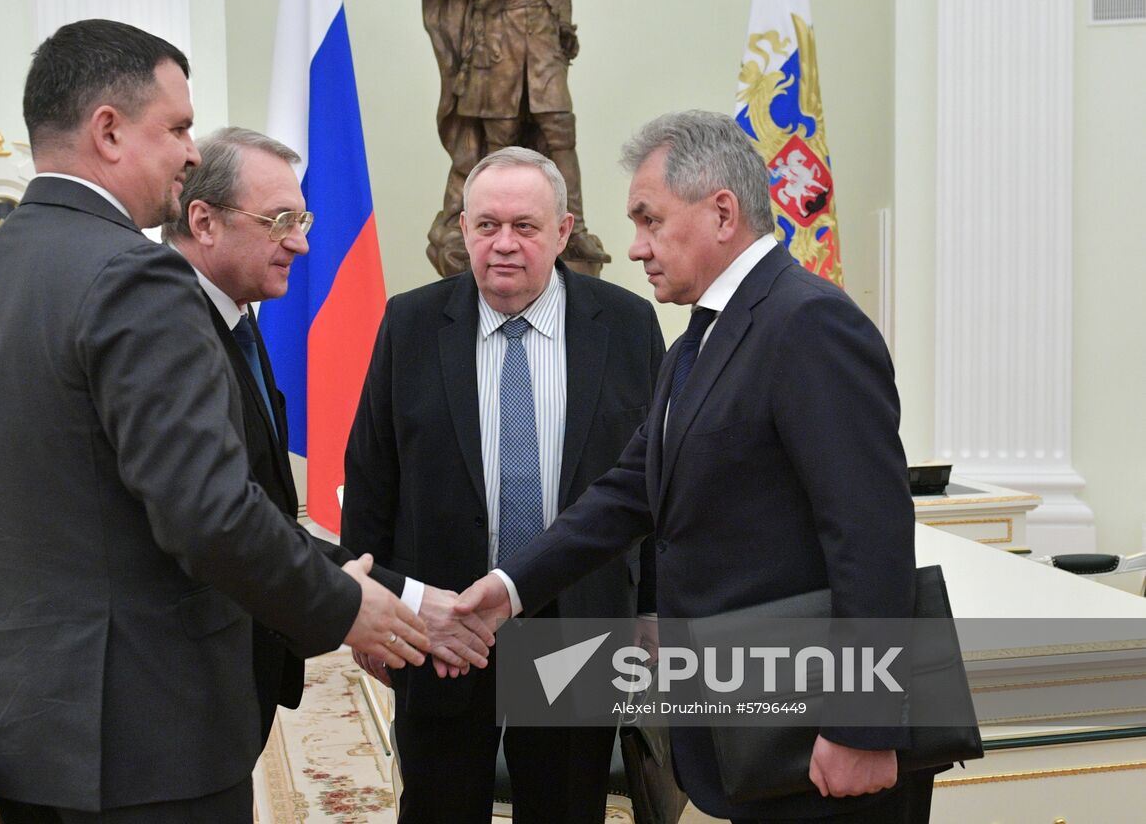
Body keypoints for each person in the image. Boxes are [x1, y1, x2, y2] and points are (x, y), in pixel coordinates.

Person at [0, 19, 428, 824]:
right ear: (109, 131)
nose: (193, 153)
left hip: (19, 727)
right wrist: (342, 605)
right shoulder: (136, 276)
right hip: (145, 734)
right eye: (180, 127)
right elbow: (209, 513)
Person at [458, 111, 931, 823]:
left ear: (721, 212)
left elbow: (872, 535)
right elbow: (628, 492)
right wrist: (508, 587)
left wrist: (861, 723)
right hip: (745, 715)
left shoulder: (808, 324)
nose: (635, 247)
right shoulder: (695, 344)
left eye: (649, 220)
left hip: (818, 729)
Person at [343, 147, 664, 823]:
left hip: (576, 622)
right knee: (439, 807)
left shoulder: (628, 327)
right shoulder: (410, 323)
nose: (505, 244)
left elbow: (657, 484)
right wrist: (368, 610)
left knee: (566, 808)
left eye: (525, 226)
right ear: (463, 231)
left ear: (563, 232)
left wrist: (654, 607)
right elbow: (371, 477)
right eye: (487, 225)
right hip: (445, 622)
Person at [162, 126, 493, 745]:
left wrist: (398, 599)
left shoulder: (238, 318)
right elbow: (230, 519)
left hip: (231, 667)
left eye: (304, 218)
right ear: (203, 221)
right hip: (182, 681)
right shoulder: (174, 331)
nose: (302, 243)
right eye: (280, 219)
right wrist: (397, 603)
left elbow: (263, 505)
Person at [422, 0, 609, 277]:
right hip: (498, 38)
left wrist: (564, 25)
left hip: (543, 39)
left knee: (560, 130)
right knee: (499, 140)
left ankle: (574, 226)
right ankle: (486, 226)